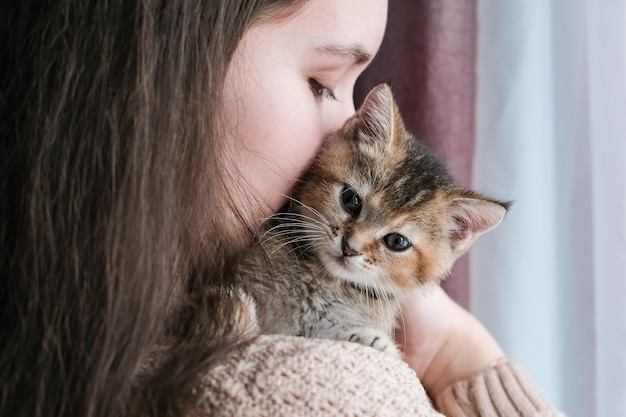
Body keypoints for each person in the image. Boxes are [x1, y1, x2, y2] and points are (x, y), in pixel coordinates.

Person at [0, 0, 563, 416]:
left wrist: (448, 345)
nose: (346, 124)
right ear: (169, 66)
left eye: (353, 86)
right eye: (323, 83)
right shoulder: (329, 391)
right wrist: (459, 354)